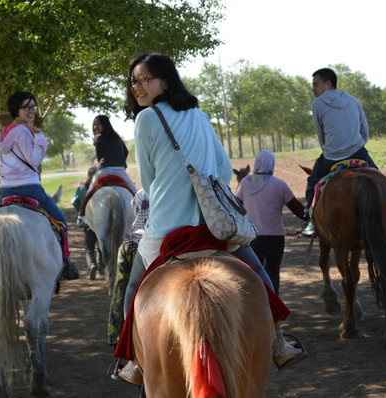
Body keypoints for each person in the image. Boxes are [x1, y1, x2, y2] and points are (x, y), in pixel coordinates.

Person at [115, 53, 306, 384]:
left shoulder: (146, 119)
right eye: (134, 81)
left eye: (144, 79)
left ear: (165, 80)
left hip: (166, 230)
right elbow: (221, 167)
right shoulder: (199, 115)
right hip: (213, 227)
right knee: (259, 275)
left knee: (131, 288)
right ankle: (280, 343)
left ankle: (134, 363)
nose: (137, 87)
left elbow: (148, 181)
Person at [0, 91, 75, 271]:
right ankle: (66, 263)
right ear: (16, 109)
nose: (32, 111)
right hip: (29, 188)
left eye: (33, 106)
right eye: (27, 107)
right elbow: (34, 159)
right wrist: (39, 138)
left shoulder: (3, 133)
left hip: (6, 190)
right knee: (61, 221)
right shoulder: (23, 131)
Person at [303, 68, 379, 236]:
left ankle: (309, 221)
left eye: (316, 85)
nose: (313, 89)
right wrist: (354, 147)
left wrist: (332, 150)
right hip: (358, 153)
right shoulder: (353, 100)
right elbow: (365, 132)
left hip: (332, 157)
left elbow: (321, 137)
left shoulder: (317, 103)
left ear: (328, 83)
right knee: (379, 177)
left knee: (313, 182)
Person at [236, 150, 306, 294]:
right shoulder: (280, 185)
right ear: (272, 164)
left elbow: (236, 206)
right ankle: (274, 307)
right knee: (273, 272)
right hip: (275, 238)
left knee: (254, 273)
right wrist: (313, 218)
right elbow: (297, 209)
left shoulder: (245, 182)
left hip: (252, 237)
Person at [108, 189, 149, 346]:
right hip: (150, 243)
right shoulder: (165, 189)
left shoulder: (140, 192)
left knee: (121, 288)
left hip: (129, 242)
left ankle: (115, 333)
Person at [87, 115, 137, 195]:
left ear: (105, 124)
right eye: (94, 124)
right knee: (135, 192)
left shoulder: (99, 137)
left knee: (89, 192)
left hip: (104, 170)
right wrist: (118, 161)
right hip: (120, 171)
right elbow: (126, 152)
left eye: (99, 124)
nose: (96, 127)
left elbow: (99, 158)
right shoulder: (117, 137)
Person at [71, 167, 103, 278]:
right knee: (100, 246)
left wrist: (80, 209)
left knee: (89, 247)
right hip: (99, 223)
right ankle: (100, 268)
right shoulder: (101, 188)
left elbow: (74, 201)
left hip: (86, 223)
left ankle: (92, 265)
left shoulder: (81, 188)